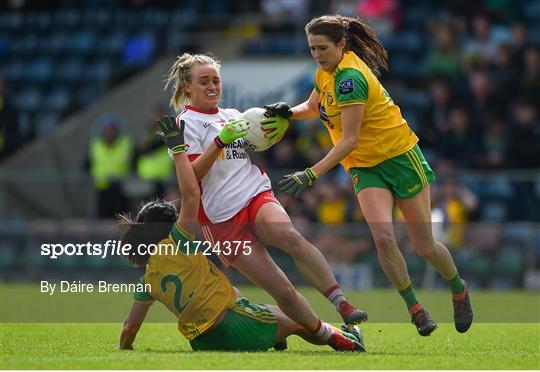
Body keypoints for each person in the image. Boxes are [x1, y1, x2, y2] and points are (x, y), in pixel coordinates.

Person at [264, 15, 473, 336]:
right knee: (384, 239)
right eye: (312, 49)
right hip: (365, 166)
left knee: (425, 245)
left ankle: (458, 289)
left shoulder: (351, 78)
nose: (317, 55)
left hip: (400, 159)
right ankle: (415, 309)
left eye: (322, 48)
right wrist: (288, 112)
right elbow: (313, 106)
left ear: (342, 44)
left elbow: (349, 139)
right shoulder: (324, 73)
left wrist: (311, 173)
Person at [117, 116, 364, 352]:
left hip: (202, 342)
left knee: (260, 305)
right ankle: (343, 338)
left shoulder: (147, 280)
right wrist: (178, 148)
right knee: (297, 321)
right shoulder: (179, 241)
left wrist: (123, 347)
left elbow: (129, 327)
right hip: (236, 326)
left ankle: (276, 336)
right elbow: (191, 193)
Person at [162, 53, 367, 338]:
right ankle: (333, 336)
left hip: (254, 194)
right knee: (283, 290)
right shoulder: (185, 124)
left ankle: (342, 303)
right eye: (204, 81)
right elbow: (191, 176)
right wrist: (220, 142)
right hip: (221, 220)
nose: (212, 87)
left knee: (289, 237)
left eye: (216, 80)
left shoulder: (234, 115)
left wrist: (277, 129)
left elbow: (260, 142)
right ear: (187, 87)